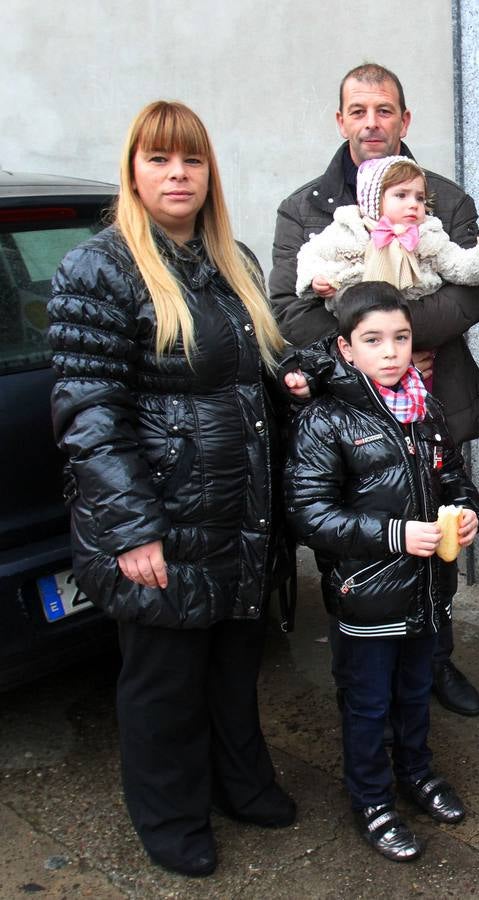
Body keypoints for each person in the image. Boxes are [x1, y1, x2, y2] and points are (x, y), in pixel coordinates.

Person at [48, 100, 295, 878]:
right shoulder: (101, 268)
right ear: (133, 171)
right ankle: (170, 819)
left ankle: (241, 786)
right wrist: (133, 530)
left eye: (190, 159)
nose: (177, 173)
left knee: (231, 664)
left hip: (238, 511)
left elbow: (260, 376)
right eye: (158, 159)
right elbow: (90, 412)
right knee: (163, 684)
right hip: (164, 516)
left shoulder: (235, 262)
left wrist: (311, 375)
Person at [270, 62, 479, 717]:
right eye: (358, 111)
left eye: (385, 110)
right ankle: (366, 676)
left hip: (434, 399)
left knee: (439, 535)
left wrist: (403, 337)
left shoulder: (443, 198)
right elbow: (288, 307)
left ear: (404, 120)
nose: (372, 123)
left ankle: (437, 660)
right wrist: (376, 347)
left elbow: (474, 287)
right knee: (369, 542)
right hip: (349, 420)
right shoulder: (305, 207)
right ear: (341, 120)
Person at [285, 282, 479, 862]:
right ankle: (371, 799)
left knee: (415, 692)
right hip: (366, 596)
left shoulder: (425, 405)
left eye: (400, 337)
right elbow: (309, 514)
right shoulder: (327, 420)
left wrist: (468, 511)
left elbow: (452, 477)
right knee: (368, 703)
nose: (391, 351)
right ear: (346, 349)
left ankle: (416, 774)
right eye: (374, 340)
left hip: (425, 591)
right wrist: (396, 536)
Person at [294, 154, 479, 308]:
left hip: (418, 322)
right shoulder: (348, 230)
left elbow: (456, 264)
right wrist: (317, 279)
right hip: (355, 323)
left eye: (419, 197)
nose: (413, 204)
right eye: (401, 195)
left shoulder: (427, 236)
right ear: (373, 201)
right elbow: (310, 255)